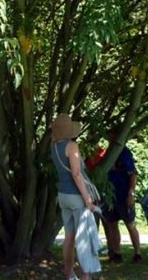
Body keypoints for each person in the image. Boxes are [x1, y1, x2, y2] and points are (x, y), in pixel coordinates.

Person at [50, 113, 101, 280]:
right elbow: (77, 174)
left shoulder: (54, 146)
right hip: (76, 197)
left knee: (69, 238)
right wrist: (88, 199)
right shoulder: (72, 146)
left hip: (63, 196)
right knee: (83, 238)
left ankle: (70, 275)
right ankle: (85, 277)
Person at [102, 129, 142, 263]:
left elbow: (133, 174)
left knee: (130, 224)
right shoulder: (108, 152)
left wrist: (131, 193)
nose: (110, 135)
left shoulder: (124, 152)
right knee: (112, 224)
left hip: (124, 194)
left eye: (112, 132)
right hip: (110, 195)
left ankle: (137, 253)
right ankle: (117, 253)